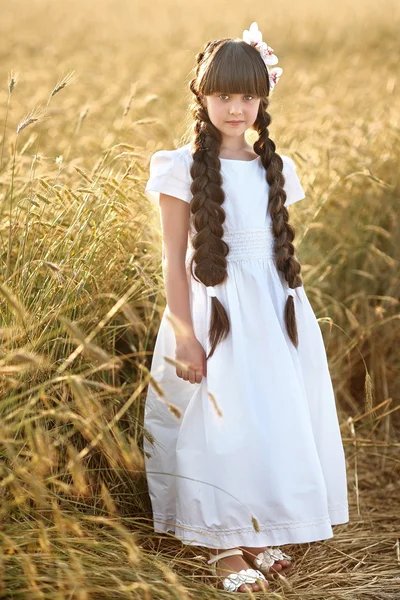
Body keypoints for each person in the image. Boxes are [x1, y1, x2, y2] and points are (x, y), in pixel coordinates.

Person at [143, 21, 349, 594]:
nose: (237, 108)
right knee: (218, 424)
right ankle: (223, 546)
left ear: (264, 98)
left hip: (275, 313)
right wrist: (185, 335)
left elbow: (275, 251)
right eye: (224, 95)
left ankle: (255, 527)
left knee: (268, 419)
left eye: (248, 96)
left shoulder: (273, 167)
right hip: (213, 315)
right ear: (202, 96)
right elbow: (173, 261)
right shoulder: (178, 167)